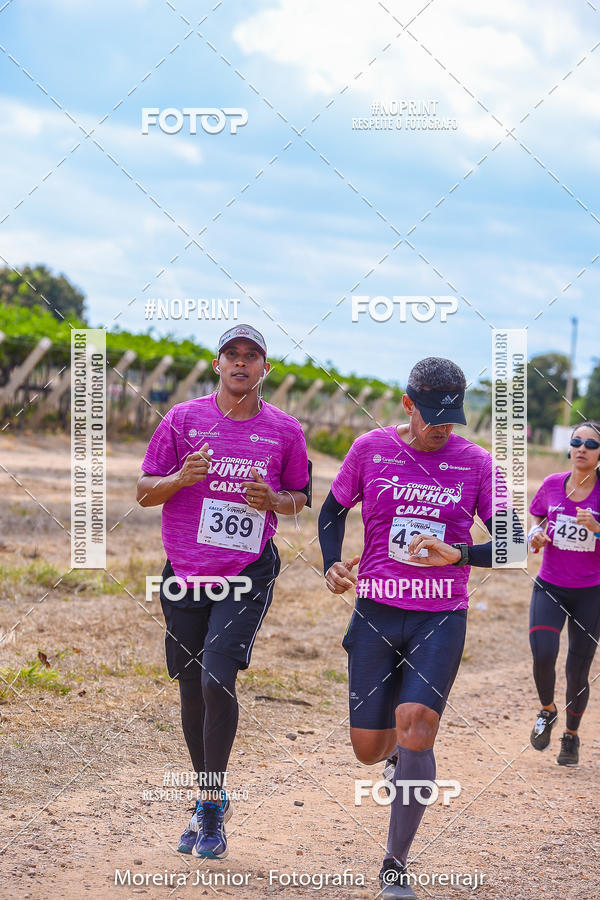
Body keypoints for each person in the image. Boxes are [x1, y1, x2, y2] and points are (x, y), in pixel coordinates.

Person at [318, 357, 516, 899]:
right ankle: (392, 761)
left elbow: (512, 542)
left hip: (441, 614)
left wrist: (460, 554)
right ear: (408, 405)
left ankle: (395, 864)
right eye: (431, 416)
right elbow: (332, 510)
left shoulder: (475, 463)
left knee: (417, 723)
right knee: (367, 746)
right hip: (376, 611)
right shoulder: (371, 449)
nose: (442, 427)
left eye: (452, 417)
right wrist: (332, 560)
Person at [137, 325, 310, 859]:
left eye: (251, 357)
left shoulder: (284, 430)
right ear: (218, 365)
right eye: (232, 355)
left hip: (247, 569)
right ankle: (207, 795)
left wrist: (275, 500)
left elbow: (302, 496)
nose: (241, 364)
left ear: (265, 369)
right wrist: (180, 480)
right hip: (185, 571)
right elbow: (144, 492)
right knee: (191, 686)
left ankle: (210, 809)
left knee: (217, 677)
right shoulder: (183, 420)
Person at [528, 421, 600, 766]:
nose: (582, 448)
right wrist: (535, 537)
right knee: (543, 652)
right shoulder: (552, 485)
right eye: (576, 441)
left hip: (591, 593)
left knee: (577, 671)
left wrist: (597, 528)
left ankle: (571, 736)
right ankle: (547, 710)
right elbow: (537, 521)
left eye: (590, 443)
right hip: (551, 585)